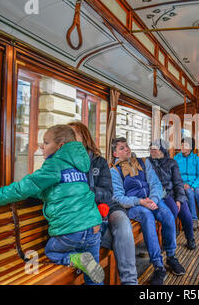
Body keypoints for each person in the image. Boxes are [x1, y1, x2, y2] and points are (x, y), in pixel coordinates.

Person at [0, 124, 104, 284]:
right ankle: (84, 261)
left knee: (52, 252)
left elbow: (21, 188)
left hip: (70, 231)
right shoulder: (80, 164)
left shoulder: (54, 165)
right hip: (94, 227)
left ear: (60, 146)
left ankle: (79, 259)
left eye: (46, 143)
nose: (41, 146)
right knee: (93, 279)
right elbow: (58, 189)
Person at [68, 121, 138, 285]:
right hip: (87, 215)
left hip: (110, 207)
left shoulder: (98, 162)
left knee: (122, 225)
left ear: (84, 138)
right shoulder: (64, 164)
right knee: (107, 237)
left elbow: (107, 193)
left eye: (73, 135)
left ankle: (130, 281)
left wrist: (85, 192)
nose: (69, 139)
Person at [110, 137, 185, 285]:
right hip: (134, 205)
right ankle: (158, 266)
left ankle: (171, 257)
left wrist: (154, 200)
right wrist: (140, 202)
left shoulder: (144, 162)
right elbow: (118, 197)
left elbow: (155, 184)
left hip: (152, 199)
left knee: (167, 214)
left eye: (127, 146)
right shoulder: (114, 171)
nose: (127, 149)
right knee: (146, 216)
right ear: (115, 154)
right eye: (122, 148)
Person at [148, 139, 196, 250]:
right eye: (150, 149)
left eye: (154, 149)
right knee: (172, 212)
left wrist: (179, 199)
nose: (151, 152)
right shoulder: (149, 163)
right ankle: (168, 240)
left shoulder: (171, 163)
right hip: (161, 195)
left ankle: (190, 238)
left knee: (186, 214)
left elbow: (178, 182)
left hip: (174, 193)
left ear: (162, 150)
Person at [174, 137, 199, 231]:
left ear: (191, 147)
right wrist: (182, 183)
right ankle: (194, 219)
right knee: (189, 193)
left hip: (195, 184)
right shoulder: (176, 158)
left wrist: (193, 186)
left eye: (185, 145)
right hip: (182, 184)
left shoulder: (196, 159)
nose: (182, 147)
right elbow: (174, 173)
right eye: (181, 145)